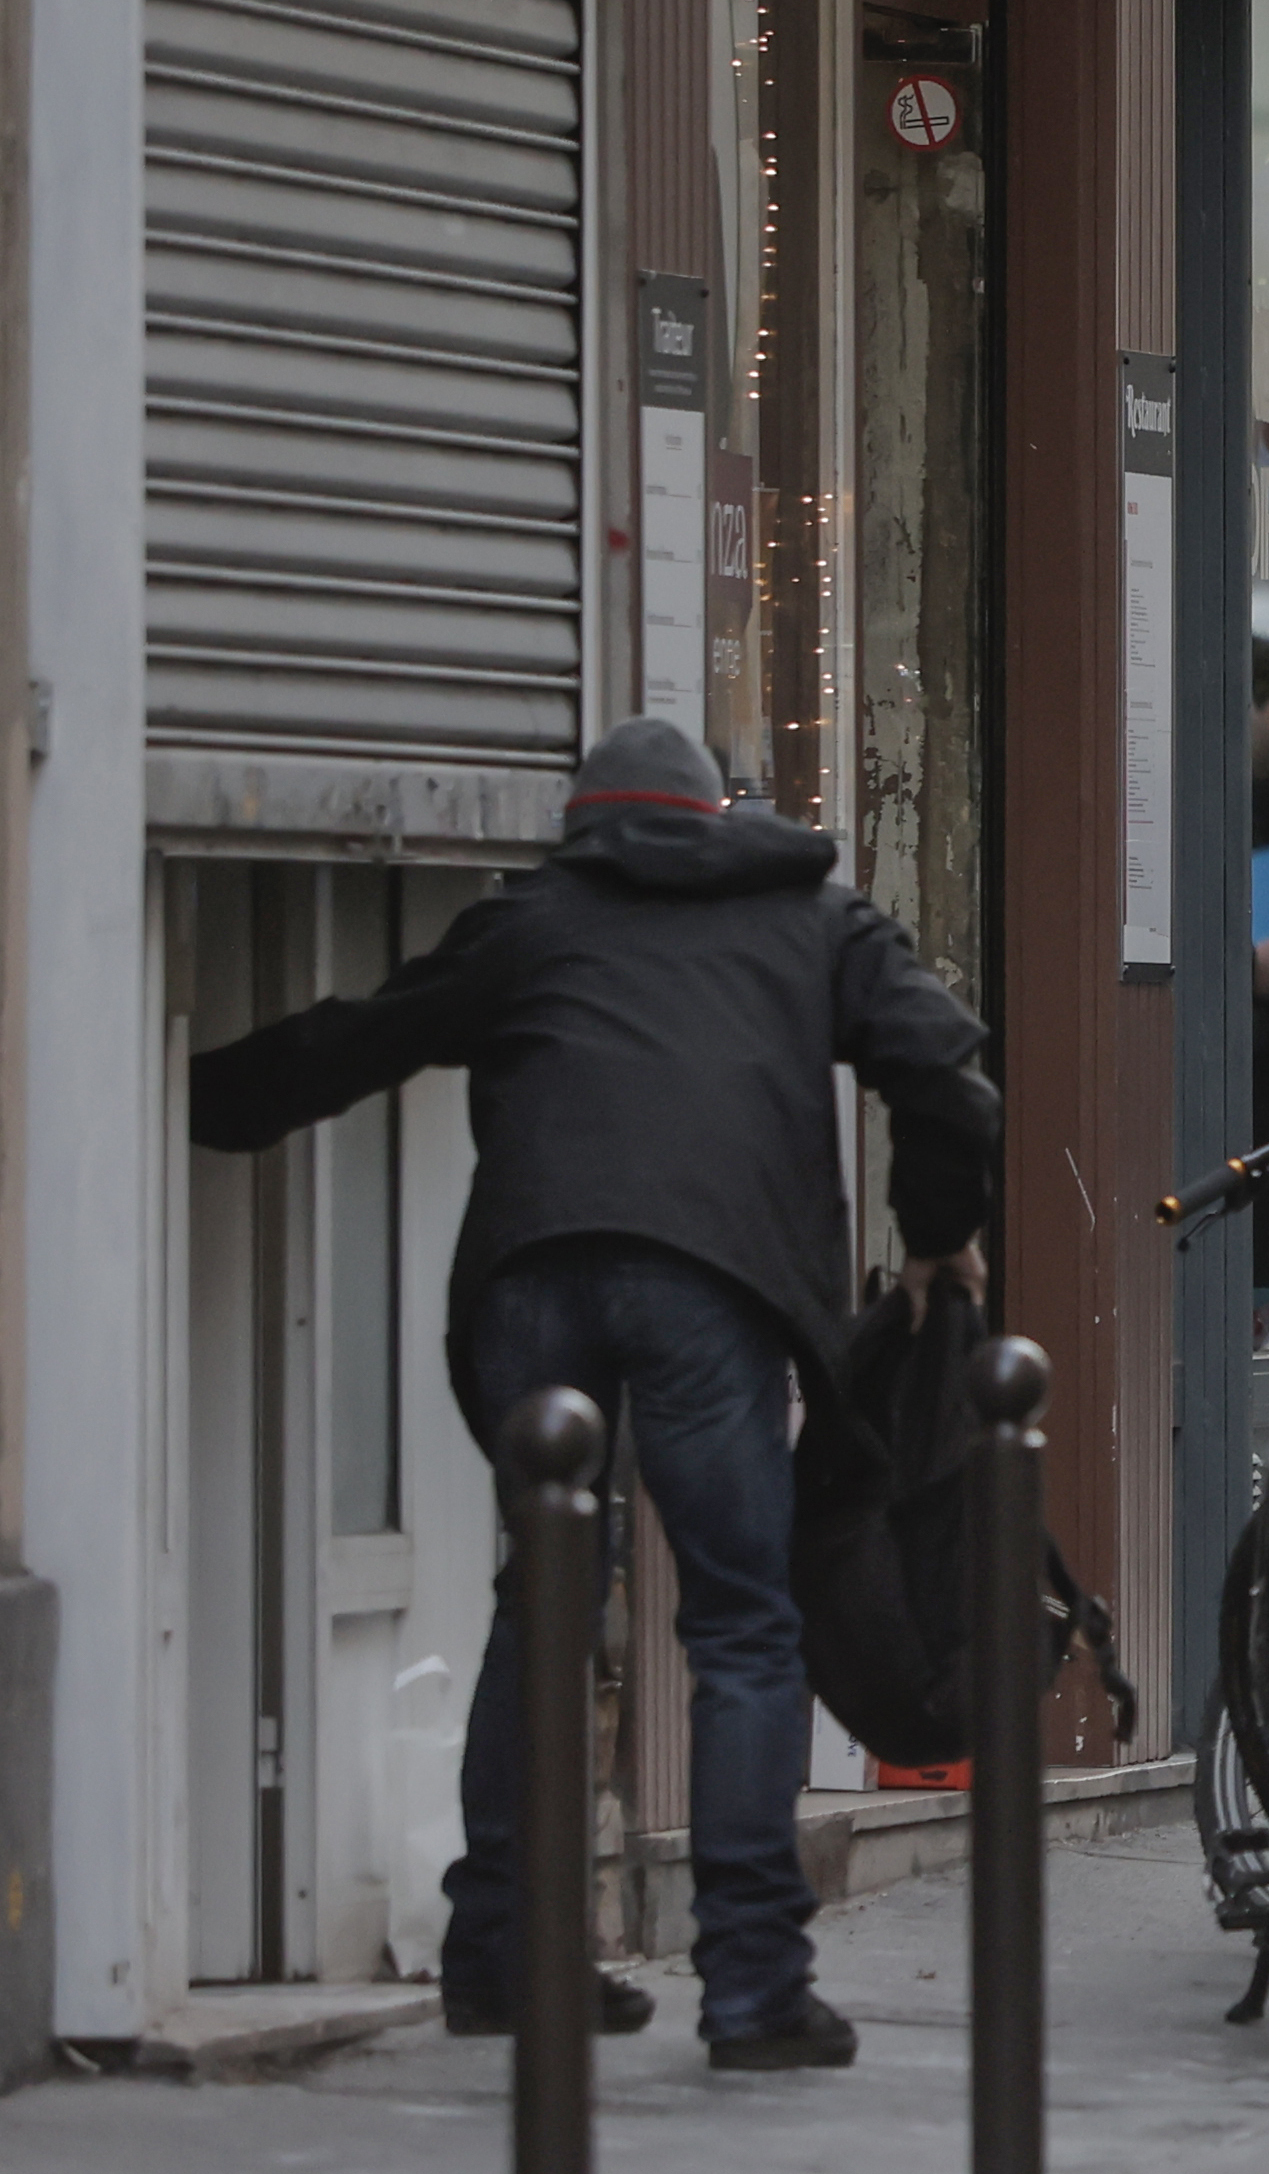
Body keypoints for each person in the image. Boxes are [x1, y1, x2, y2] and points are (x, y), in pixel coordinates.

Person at [186, 718, 1000, 2069]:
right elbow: (946, 1076)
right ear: (717, 813)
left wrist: (185, 1094)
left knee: (546, 1599)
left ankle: (503, 1952)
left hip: (533, 1277)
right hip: (711, 1284)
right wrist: (934, 1233)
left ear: (585, 823)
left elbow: (360, 1038)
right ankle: (751, 1986)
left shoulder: (534, 921)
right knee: (741, 1622)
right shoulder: (815, 917)